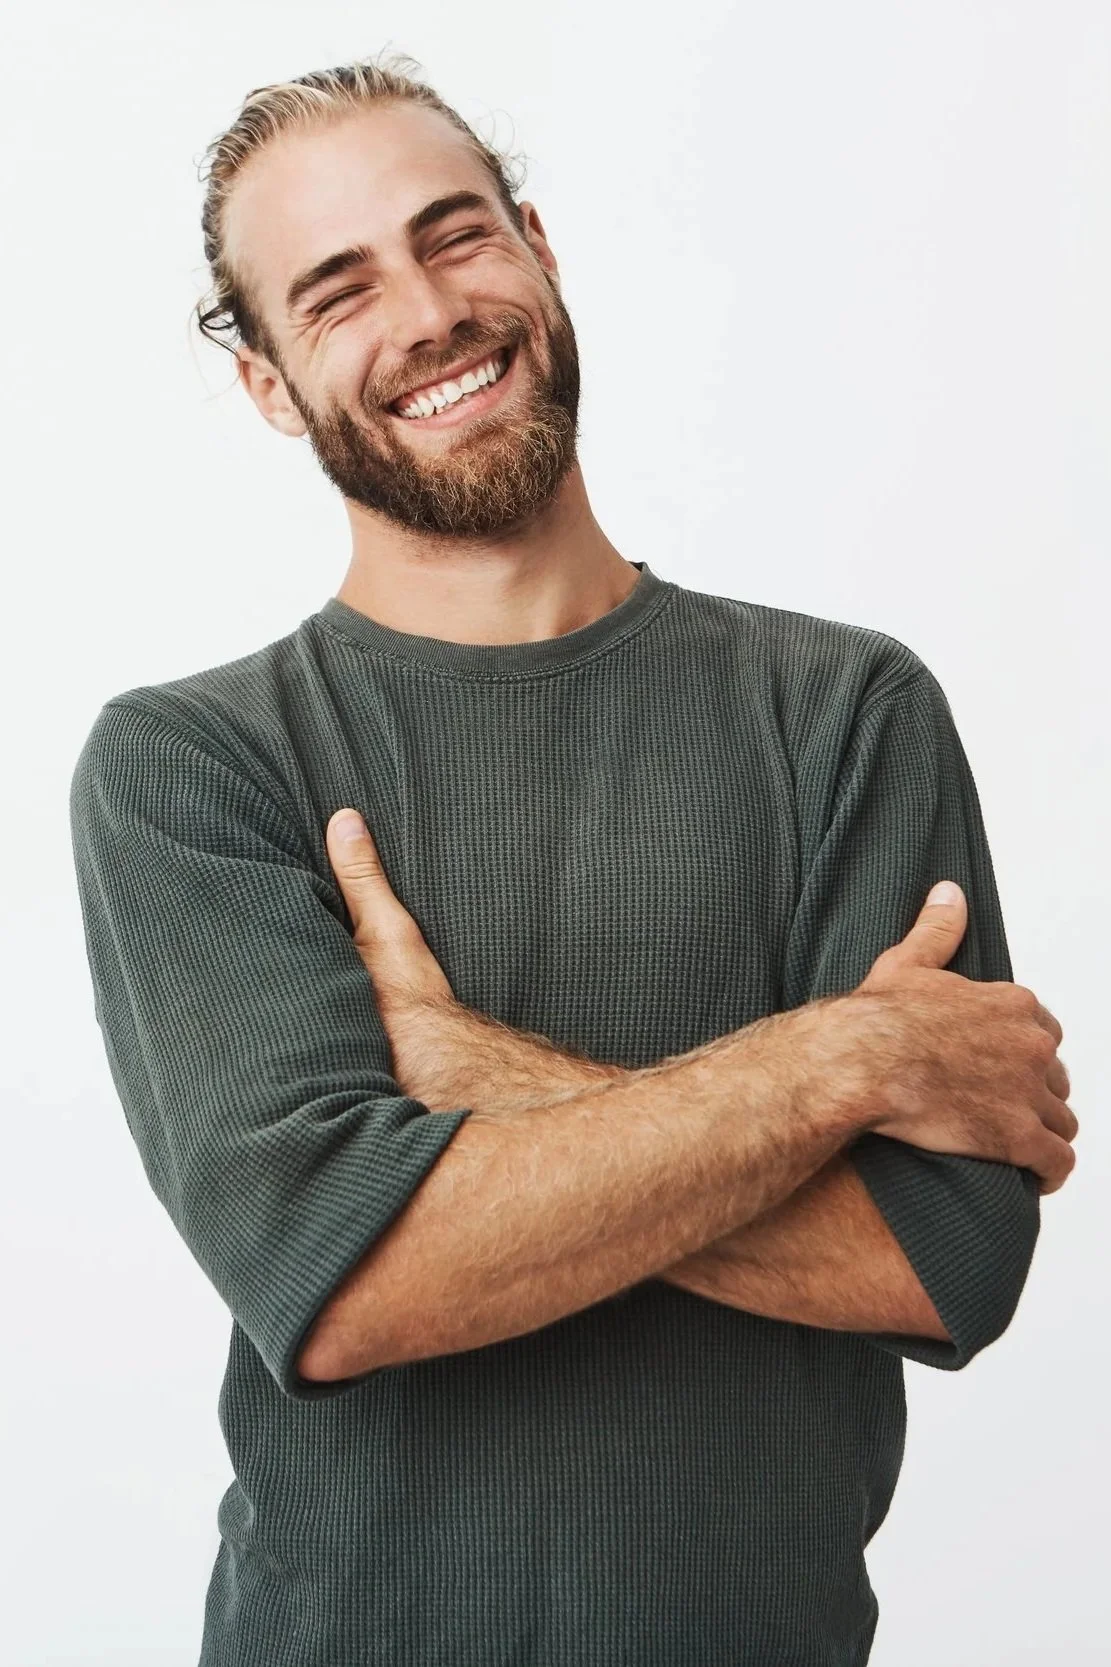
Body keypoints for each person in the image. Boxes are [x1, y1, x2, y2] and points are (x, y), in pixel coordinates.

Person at [68, 50, 1076, 1667]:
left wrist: (469, 1080)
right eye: (335, 292)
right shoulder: (194, 763)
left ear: (535, 246)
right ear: (264, 380)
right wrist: (845, 1057)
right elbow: (345, 1281)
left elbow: (942, 1257)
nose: (427, 313)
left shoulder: (839, 711)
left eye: (454, 236)